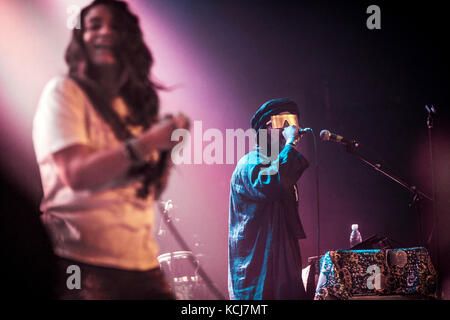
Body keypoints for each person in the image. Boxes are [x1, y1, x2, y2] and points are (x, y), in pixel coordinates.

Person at [32, 0, 189, 299]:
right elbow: (75, 175)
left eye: (115, 27)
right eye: (94, 26)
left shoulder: (133, 106)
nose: (105, 32)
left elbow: (147, 190)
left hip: (141, 264)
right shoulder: (64, 93)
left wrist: (168, 151)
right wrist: (150, 142)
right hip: (82, 264)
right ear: (81, 38)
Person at [228, 98, 310, 300]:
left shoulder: (277, 164)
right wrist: (290, 144)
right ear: (268, 128)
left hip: (282, 261)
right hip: (258, 268)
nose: (292, 130)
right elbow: (273, 185)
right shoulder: (250, 163)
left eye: (294, 124)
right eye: (286, 124)